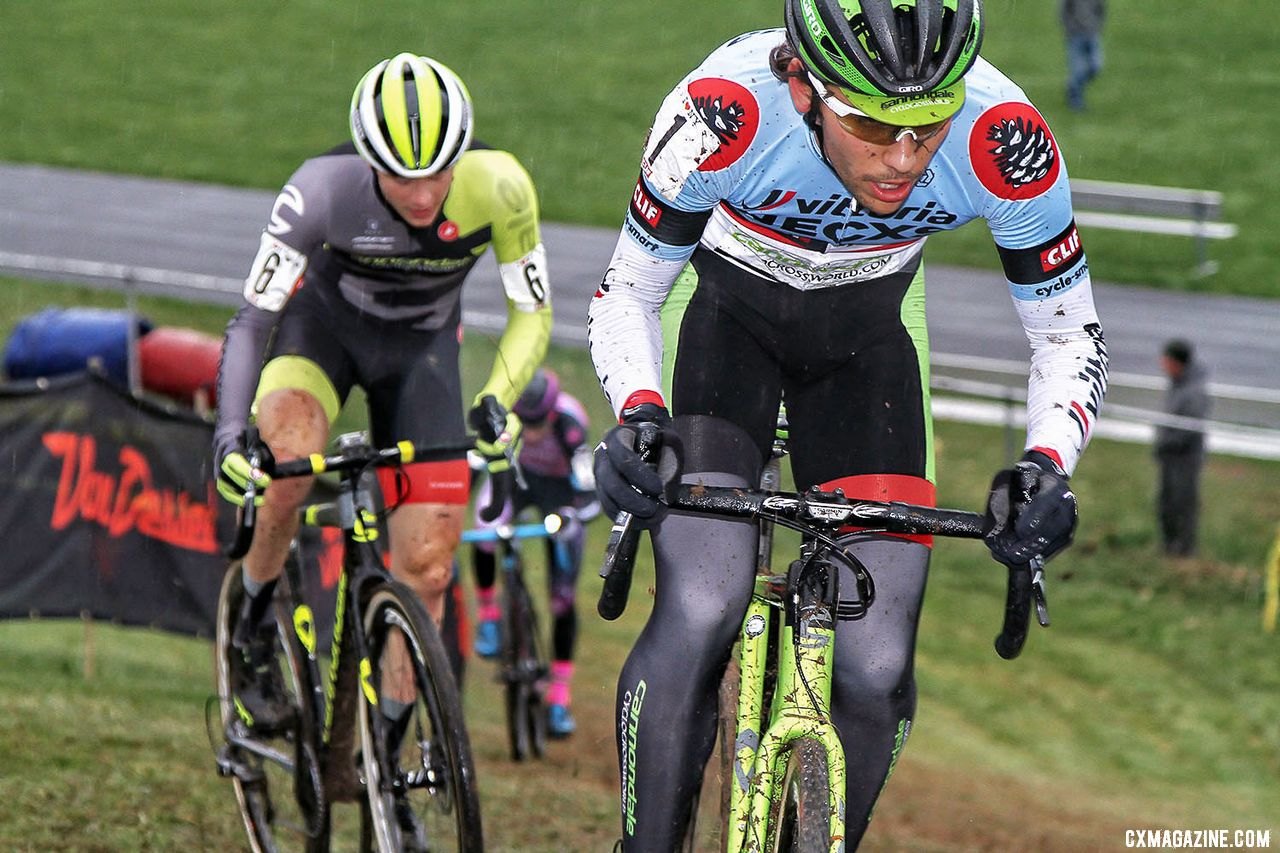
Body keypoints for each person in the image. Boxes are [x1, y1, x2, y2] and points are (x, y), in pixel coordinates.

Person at [587, 1, 1108, 848]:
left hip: (868, 345)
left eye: (928, 124)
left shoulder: (1002, 137)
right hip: (722, 322)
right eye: (871, 125)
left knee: (874, 669)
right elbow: (628, 295)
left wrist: (1048, 463)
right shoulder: (722, 113)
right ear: (803, 84)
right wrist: (640, 415)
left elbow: (1065, 330)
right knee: (704, 601)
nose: (903, 159)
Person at [213, 51, 552, 750]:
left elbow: (531, 313)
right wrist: (226, 433)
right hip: (322, 336)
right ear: (369, 161)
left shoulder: (503, 187)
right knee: (289, 464)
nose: (424, 193)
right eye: (402, 174)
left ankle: (388, 766)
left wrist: (496, 398)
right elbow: (251, 320)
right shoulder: (319, 191)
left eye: (439, 170)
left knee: (428, 566)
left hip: (422, 355)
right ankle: (250, 624)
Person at [469, 367, 599, 737]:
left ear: (552, 411)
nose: (536, 428)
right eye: (529, 422)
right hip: (516, 483)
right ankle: (491, 616)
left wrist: (577, 515)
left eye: (540, 420)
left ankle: (559, 696)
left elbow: (589, 492)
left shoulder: (571, 423)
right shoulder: (501, 419)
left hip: (560, 494)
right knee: (484, 529)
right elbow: (477, 465)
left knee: (562, 600)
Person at [1154, 339, 1210, 556]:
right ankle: (1169, 546)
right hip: (1169, 456)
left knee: (1183, 503)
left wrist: (1167, 443)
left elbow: (1190, 428)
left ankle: (1185, 549)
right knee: (1166, 502)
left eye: (1167, 360)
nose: (1163, 364)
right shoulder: (1176, 384)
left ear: (1178, 362)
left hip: (1185, 458)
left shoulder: (1194, 391)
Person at [1061, 0, 1105, 111]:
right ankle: (1076, 100)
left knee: (1096, 65)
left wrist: (1098, 27)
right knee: (1078, 69)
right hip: (1076, 35)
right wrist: (1070, 29)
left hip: (1092, 34)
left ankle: (1073, 86)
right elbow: (1064, 11)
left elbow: (1101, 10)